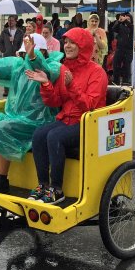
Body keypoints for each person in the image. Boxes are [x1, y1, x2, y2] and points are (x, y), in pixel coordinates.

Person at [25, 28, 108, 204]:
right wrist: (46, 84)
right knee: (39, 134)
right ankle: (43, 185)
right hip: (67, 119)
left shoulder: (97, 72)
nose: (67, 46)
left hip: (88, 123)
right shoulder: (65, 69)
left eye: (72, 42)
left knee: (54, 136)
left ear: (83, 45)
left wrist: (72, 87)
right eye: (66, 42)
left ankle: (57, 189)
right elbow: (55, 101)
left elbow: (90, 106)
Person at [0, 33, 62, 193]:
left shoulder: (54, 65)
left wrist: (33, 56)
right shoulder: (18, 64)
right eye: (23, 53)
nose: (24, 56)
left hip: (38, 120)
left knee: (4, 127)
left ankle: (2, 178)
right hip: (16, 117)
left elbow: (47, 72)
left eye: (28, 53)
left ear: (42, 52)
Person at [0, 15, 24, 97]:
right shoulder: (5, 32)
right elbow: (0, 42)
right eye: (9, 20)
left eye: (12, 20)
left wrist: (14, 41)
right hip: (7, 55)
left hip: (16, 56)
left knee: (16, 73)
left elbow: (21, 43)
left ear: (15, 21)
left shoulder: (20, 32)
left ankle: (15, 89)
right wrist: (4, 50)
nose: (10, 22)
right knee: (7, 73)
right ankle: (6, 90)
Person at [112, 12, 133, 85]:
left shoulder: (132, 27)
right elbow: (114, 29)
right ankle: (116, 80)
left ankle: (126, 81)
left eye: (128, 19)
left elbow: (133, 29)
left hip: (128, 50)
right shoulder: (121, 26)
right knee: (115, 64)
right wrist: (119, 21)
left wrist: (126, 21)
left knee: (126, 66)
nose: (126, 20)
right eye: (125, 18)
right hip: (119, 48)